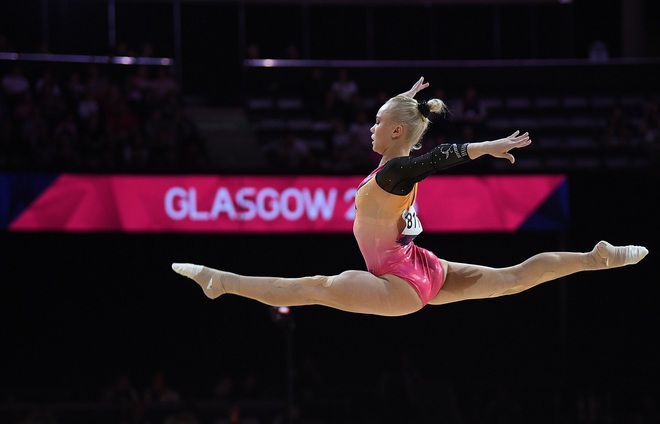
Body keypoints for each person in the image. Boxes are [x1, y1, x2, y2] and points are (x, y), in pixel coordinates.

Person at [172, 77, 648, 317]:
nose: (370, 128)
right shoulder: (393, 165)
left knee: (314, 287)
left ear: (397, 131)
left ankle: (222, 281)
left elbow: (436, 156)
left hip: (399, 284)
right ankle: (595, 258)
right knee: (512, 278)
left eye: (378, 123)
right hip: (421, 265)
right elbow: (411, 143)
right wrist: (405, 100)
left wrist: (485, 147)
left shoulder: (395, 171)